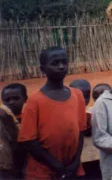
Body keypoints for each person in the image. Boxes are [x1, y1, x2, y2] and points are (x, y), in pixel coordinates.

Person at [19, 47, 87, 179]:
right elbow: (29, 141)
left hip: (72, 167)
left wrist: (75, 162)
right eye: (55, 63)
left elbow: (81, 131)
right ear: (43, 69)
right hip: (44, 170)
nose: (61, 67)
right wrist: (56, 165)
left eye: (64, 62)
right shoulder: (35, 100)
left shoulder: (77, 95)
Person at [1, 84, 27, 179]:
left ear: (25, 99)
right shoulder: (2, 119)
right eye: (7, 100)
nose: (11, 102)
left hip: (26, 163)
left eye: (16, 98)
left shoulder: (29, 119)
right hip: (7, 167)